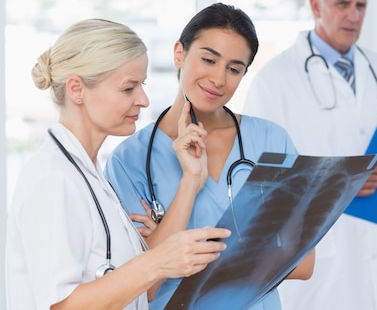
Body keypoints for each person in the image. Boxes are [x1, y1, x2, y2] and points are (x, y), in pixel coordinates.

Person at [6, 19, 231, 310]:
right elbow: (60, 306)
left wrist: (191, 181)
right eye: (128, 88)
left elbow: (145, 289)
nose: (143, 99)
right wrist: (157, 261)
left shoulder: (90, 175)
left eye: (143, 84)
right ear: (77, 90)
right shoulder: (54, 179)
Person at [243, 0, 377, 310]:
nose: (354, 15)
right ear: (315, 6)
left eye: (360, 6)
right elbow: (261, 176)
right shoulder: (276, 80)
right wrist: (342, 179)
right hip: (321, 254)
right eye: (342, 4)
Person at [104, 3, 314, 310]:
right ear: (179, 53)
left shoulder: (272, 141)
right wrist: (258, 248)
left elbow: (303, 263)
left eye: (233, 68)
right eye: (208, 59)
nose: (218, 78)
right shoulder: (131, 160)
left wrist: (178, 252)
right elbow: (145, 285)